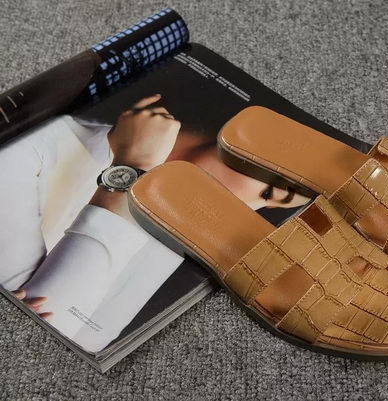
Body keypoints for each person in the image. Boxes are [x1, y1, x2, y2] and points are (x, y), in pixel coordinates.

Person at [0, 95, 309, 352]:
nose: (249, 209)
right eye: (267, 192)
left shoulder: (168, 244)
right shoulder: (32, 146)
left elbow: (82, 336)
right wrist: (135, 168)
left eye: (266, 205)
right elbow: (37, 323)